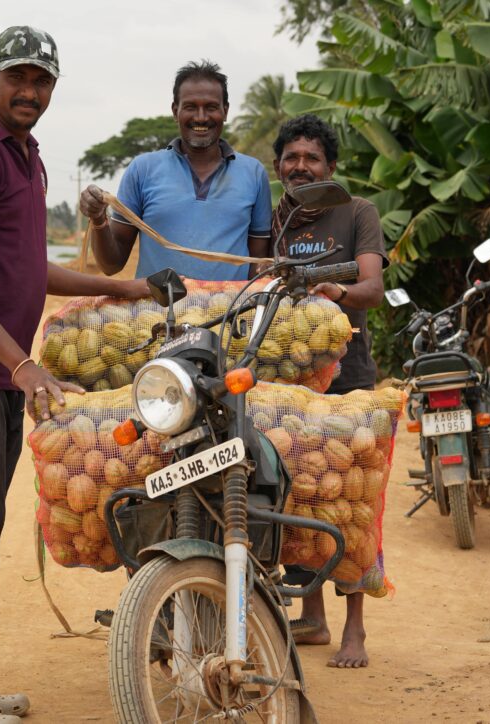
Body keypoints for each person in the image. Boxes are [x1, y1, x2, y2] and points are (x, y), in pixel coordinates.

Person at [0, 26, 147, 723]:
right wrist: (18, 361)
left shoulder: (28, 158)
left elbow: (24, 268)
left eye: (42, 81)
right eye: (18, 78)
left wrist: (126, 289)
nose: (30, 92)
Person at [272, 113, 388, 668]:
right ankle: (313, 617)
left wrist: (337, 292)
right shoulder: (276, 219)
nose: (300, 166)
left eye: (311, 158)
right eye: (291, 158)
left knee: (354, 501)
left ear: (330, 167)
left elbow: (373, 288)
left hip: (350, 382)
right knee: (298, 494)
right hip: (289, 383)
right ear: (278, 167)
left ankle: (356, 630)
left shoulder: (358, 212)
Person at [79, 60, 272, 281]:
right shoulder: (142, 170)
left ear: (225, 111)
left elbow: (258, 265)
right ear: (175, 111)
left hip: (229, 310)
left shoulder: (254, 173)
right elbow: (111, 265)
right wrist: (98, 219)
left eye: (211, 107)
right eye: (190, 107)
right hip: (154, 312)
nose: (201, 117)